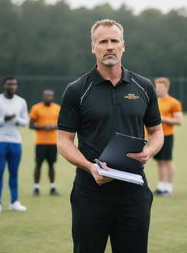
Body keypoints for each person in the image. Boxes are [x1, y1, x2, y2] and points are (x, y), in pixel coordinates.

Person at [57, 19, 164, 253]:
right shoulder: (76, 90)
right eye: (102, 41)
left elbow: (157, 132)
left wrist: (149, 151)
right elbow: (64, 141)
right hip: (91, 190)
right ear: (93, 47)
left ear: (123, 45)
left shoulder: (144, 86)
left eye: (114, 41)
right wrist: (89, 166)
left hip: (133, 191)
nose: (109, 46)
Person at [0, 76, 28, 213]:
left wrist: (16, 119)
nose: (12, 87)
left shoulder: (21, 102)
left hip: (15, 142)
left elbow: (25, 121)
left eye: (14, 84)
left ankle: (14, 202)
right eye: (9, 84)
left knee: (14, 173)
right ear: (4, 85)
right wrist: (4, 119)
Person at [153, 77, 183, 196]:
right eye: (157, 87)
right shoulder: (155, 101)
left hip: (167, 136)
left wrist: (163, 118)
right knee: (159, 162)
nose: (158, 89)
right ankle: (161, 187)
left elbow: (179, 121)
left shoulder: (174, 102)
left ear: (166, 87)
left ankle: (168, 188)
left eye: (160, 87)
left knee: (167, 161)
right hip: (155, 136)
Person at [29, 90, 60, 196]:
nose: (48, 97)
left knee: (51, 165)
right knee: (38, 164)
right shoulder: (36, 108)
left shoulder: (57, 108)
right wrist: (44, 127)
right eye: (47, 95)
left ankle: (52, 187)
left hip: (53, 142)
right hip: (40, 142)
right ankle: (36, 188)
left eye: (50, 95)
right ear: (43, 96)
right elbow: (31, 125)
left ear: (53, 97)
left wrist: (53, 127)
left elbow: (61, 124)